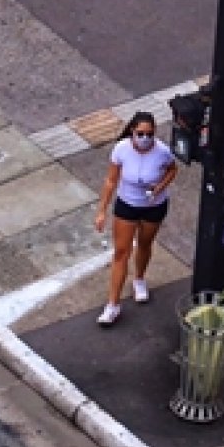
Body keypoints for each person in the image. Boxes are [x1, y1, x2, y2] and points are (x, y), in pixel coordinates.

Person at [93, 111, 178, 326]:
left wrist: (159, 187)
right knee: (121, 252)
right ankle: (112, 305)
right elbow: (111, 180)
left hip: (153, 206)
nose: (145, 138)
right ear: (132, 130)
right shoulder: (121, 149)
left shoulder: (162, 152)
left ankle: (139, 278)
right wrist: (102, 210)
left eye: (149, 134)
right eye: (140, 133)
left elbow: (172, 170)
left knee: (145, 243)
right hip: (127, 204)